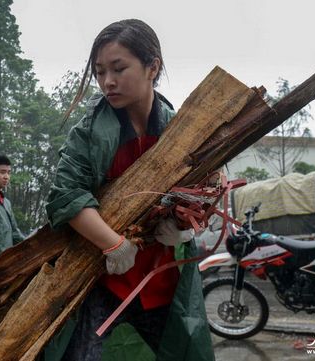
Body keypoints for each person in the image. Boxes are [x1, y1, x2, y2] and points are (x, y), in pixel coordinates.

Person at [45, 19, 214, 361]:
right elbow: (66, 194)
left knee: (184, 351)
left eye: (119, 68)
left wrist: (181, 228)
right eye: (99, 72)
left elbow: (205, 193)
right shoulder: (89, 131)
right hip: (104, 278)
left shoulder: (183, 130)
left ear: (153, 66)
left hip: (162, 278)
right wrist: (114, 244)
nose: (107, 81)